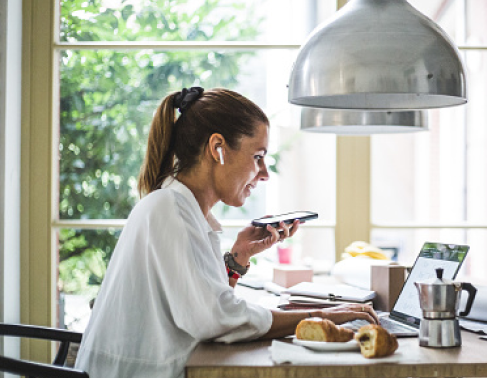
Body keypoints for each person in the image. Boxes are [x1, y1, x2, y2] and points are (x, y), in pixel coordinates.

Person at [74, 87, 378, 378]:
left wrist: (238, 258)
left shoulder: (183, 210)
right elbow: (215, 319)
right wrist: (323, 317)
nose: (265, 174)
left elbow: (206, 305)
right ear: (217, 148)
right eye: (258, 157)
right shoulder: (168, 210)